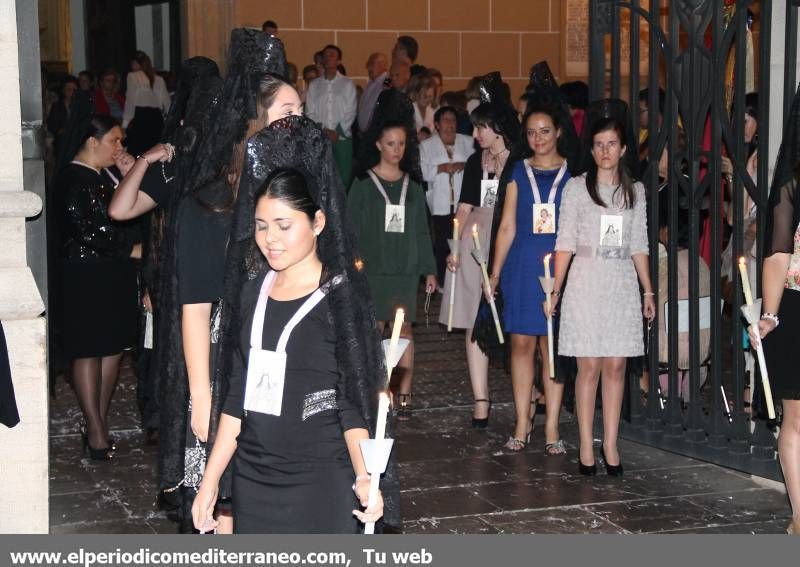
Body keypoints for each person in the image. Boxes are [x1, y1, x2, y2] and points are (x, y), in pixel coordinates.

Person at [550, 100, 655, 476]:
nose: (605, 151)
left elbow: (640, 243)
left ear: (624, 148)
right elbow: (564, 241)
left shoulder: (636, 191)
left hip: (621, 282)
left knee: (615, 366)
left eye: (612, 144)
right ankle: (584, 441)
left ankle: (610, 441)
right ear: (591, 149)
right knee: (588, 366)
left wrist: (647, 290)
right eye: (599, 144)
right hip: (585, 280)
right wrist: (555, 289)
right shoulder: (577, 189)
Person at [56, 114, 141, 461]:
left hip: (112, 274)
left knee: (112, 348)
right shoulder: (72, 177)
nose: (119, 147)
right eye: (114, 141)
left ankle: (98, 421)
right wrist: (129, 249)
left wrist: (126, 176)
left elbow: (127, 214)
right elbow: (86, 229)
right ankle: (95, 430)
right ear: (93, 142)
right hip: (84, 274)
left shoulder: (104, 175)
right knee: (89, 349)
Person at [490, 103, 574, 453]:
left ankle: (552, 424)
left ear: (558, 132)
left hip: (559, 266)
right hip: (522, 265)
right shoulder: (516, 172)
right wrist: (494, 272)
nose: (538, 138)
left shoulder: (574, 176)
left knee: (551, 345)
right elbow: (507, 225)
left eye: (545, 131)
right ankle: (523, 419)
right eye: (531, 132)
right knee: (521, 345)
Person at [349, 89, 436, 421]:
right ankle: (375, 391)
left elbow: (421, 231)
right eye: (390, 144)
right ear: (377, 145)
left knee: (404, 334)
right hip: (372, 270)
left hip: (404, 270)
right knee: (374, 331)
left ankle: (405, 392)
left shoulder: (412, 186)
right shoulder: (362, 184)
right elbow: (350, 229)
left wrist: (428, 270)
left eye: (401, 144)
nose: (396, 150)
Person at [440, 73, 519, 428]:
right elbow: (464, 207)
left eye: (480, 129)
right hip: (475, 244)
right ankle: (481, 397)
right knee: (474, 318)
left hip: (510, 239)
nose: (475, 136)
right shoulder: (476, 163)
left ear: (497, 128)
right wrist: (454, 248)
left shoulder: (518, 162)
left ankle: (528, 390)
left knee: (512, 320)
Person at [748, 87, 800, 534]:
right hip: (798, 309)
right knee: (797, 417)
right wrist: (770, 314)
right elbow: (777, 254)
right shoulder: (792, 183)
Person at [420, 106, 475, 285]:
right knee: (443, 243)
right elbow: (422, 172)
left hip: (463, 203)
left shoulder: (468, 141)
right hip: (440, 202)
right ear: (436, 124)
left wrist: (464, 166)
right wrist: (442, 168)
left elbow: (477, 165)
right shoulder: (426, 145)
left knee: (463, 241)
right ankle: (443, 282)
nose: (450, 124)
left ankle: (462, 281)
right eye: (445, 120)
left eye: (453, 120)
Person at [305, 44, 357, 187]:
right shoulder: (315, 85)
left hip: (341, 137)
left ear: (339, 61)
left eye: (332, 55)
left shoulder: (347, 84)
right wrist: (322, 130)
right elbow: (310, 111)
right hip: (320, 137)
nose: (328, 58)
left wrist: (337, 132)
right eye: (325, 55)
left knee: (343, 179)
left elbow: (351, 111)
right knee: (321, 178)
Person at [123, 50, 171, 157]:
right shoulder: (159, 79)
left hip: (141, 117)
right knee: (153, 152)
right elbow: (167, 104)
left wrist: (125, 124)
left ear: (135, 63)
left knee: (138, 153)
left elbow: (130, 102)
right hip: (156, 118)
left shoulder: (132, 76)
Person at [357, 52, 388, 134]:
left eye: (371, 63)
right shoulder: (371, 83)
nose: (368, 67)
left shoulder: (387, 81)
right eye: (368, 64)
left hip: (377, 133)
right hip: (366, 135)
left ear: (382, 65)